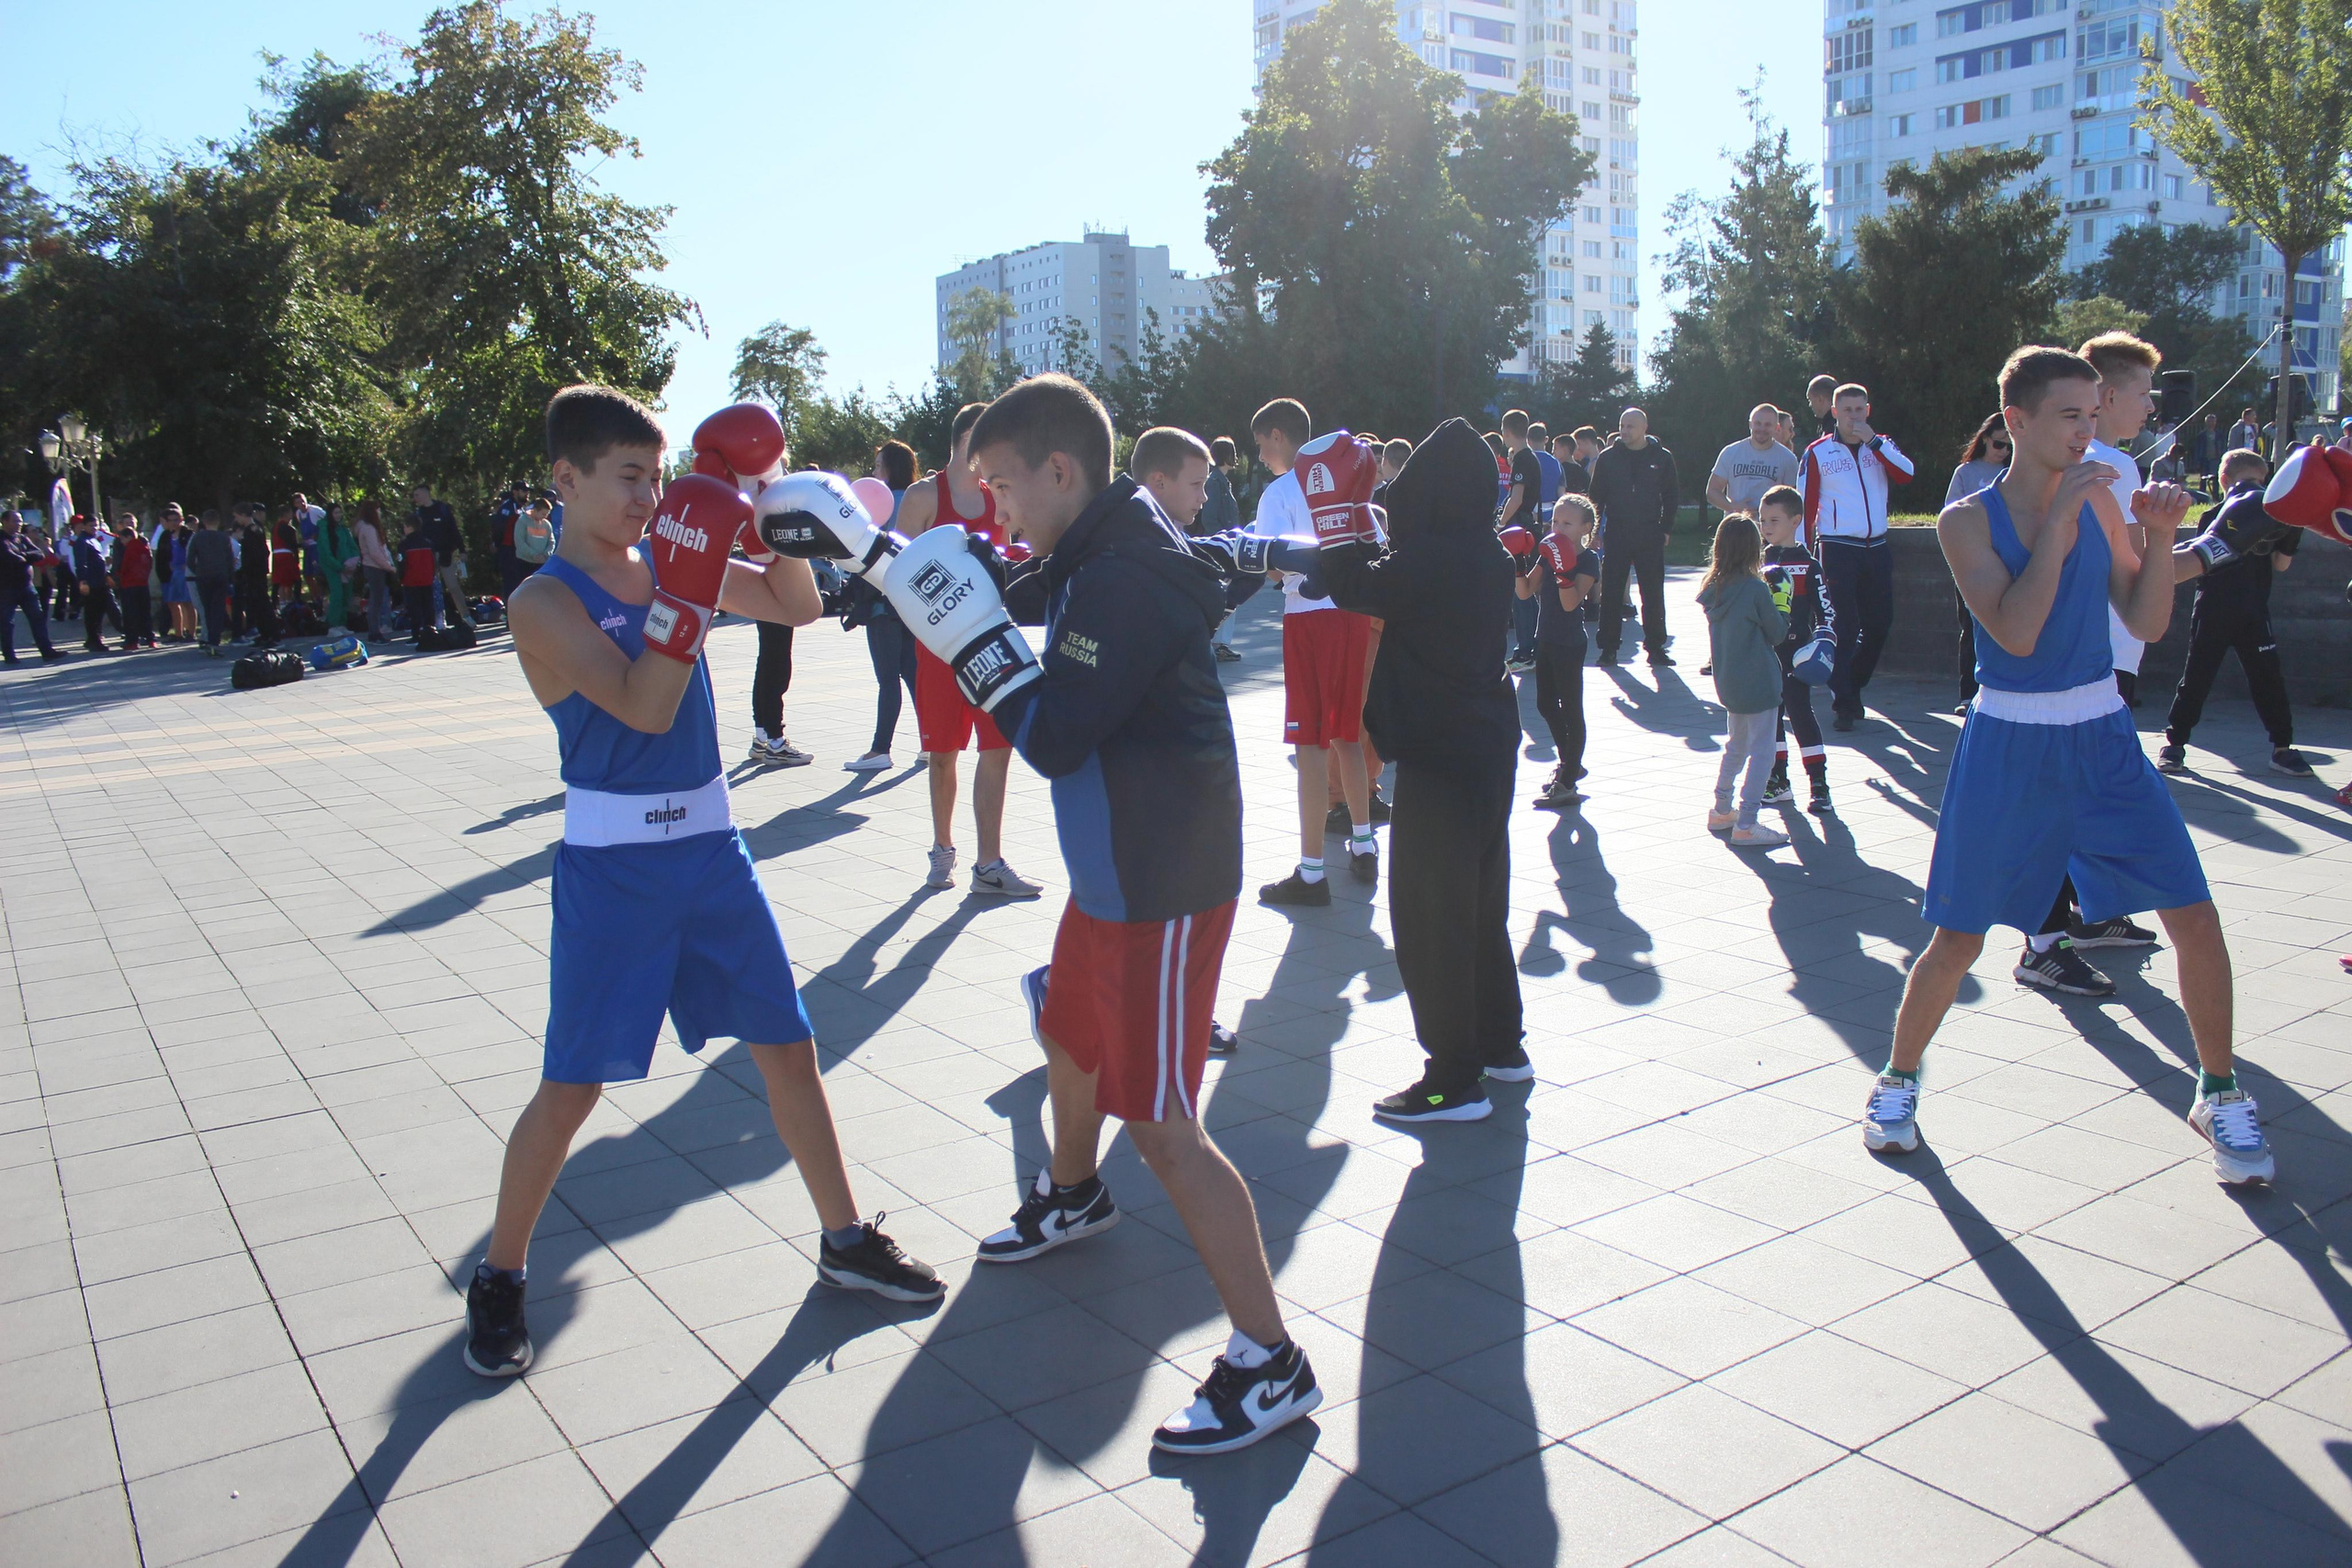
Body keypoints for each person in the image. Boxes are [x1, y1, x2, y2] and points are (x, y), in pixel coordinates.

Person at [845, 373, 1314, 1453]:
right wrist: (891, 562)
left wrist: (969, 639)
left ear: (1059, 471)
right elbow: (1026, 583)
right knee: (1065, 1030)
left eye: (1003, 487)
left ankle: (1270, 1360)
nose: (994, 508)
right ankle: (1072, 1193)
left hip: (1160, 880)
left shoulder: (1124, 575)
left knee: (1161, 1124)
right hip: (1114, 868)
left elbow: (1053, 737)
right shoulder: (1097, 544)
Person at [458, 387, 942, 1380]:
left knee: (789, 1047)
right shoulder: (542, 602)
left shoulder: (669, 555)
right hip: (614, 871)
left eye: (659, 474)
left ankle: (844, 1237)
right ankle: (500, 1274)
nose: (650, 496)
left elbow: (798, 606)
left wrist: (770, 505)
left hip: (714, 852)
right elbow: (641, 707)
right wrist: (686, 592)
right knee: (572, 1086)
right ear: (566, 479)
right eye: (629, 477)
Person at [1866, 344, 2274, 1188]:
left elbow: (2146, 620)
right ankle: (1897, 1081)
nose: (2088, 432)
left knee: (2195, 915)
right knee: (1958, 938)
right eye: (2069, 416)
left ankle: (2219, 1090)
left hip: (2103, 736)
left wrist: (2160, 537)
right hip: (2009, 744)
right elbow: (2016, 633)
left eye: (2094, 414)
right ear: (2016, 421)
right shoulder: (1965, 520)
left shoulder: (2102, 500)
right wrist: (2057, 523)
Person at [1308, 418, 1527, 1122]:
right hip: (1488, 746)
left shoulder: (1431, 559)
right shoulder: (1488, 554)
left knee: (1432, 914)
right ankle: (1500, 1045)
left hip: (1441, 754)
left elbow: (1353, 585)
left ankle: (1451, 1079)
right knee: (1480, 904)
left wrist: (1336, 516)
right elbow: (1389, 575)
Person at [891, 402, 1044, 897]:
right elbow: (896, 576)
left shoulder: (996, 495)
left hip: (990, 642)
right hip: (939, 649)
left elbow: (1012, 561)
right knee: (942, 755)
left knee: (997, 748)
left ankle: (989, 864)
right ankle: (942, 851)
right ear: (967, 441)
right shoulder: (923, 496)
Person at [1248, 398, 1377, 903]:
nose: (1261, 455)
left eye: (1262, 444)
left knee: (1310, 745)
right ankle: (1363, 843)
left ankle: (1311, 872)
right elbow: (1373, 542)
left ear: (1278, 436)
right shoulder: (1350, 481)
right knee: (1347, 734)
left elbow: (1271, 566)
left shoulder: (1280, 492)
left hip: (1308, 615)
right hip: (1353, 613)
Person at [2158, 449, 2312, 778]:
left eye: (2259, 482)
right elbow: (2194, 561)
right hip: (2213, 607)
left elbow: (2281, 565)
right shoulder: (2213, 515)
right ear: (2225, 482)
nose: (2253, 488)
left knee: (2268, 679)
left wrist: (2292, 531)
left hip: (2254, 609)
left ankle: (2283, 748)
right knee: (2197, 678)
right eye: (2248, 481)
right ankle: (2174, 744)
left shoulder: (2273, 515)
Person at [1799, 381, 1915, 729]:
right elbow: (1805, 507)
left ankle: (1851, 682)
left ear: (1868, 410)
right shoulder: (1818, 452)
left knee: (1880, 624)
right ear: (1835, 412)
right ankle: (1844, 703)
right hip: (1837, 547)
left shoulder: (1881, 445)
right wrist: (1802, 554)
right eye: (1847, 410)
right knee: (1845, 627)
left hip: (1876, 547)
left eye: (1859, 409)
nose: (1854, 417)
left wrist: (1875, 442)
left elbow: (1906, 474)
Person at [1699, 513, 1791, 849]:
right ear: (1754, 548)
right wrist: (1783, 604)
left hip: (1729, 682)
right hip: (1760, 681)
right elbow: (1777, 633)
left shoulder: (1713, 589)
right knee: (1763, 753)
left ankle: (1722, 808)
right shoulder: (1755, 589)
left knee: (1736, 746)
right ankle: (1748, 822)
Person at [842, 441, 922, 772]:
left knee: (888, 678)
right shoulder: (917, 500)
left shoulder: (879, 507)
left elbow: (861, 555)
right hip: (912, 604)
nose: (874, 472)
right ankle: (931, 742)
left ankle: (880, 750)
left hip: (881, 603)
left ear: (890, 468)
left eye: (878, 465)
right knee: (914, 675)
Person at [1517, 492, 1599, 808]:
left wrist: (1563, 571)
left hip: (1570, 643)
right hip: (1546, 638)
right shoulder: (1548, 553)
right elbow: (1525, 592)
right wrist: (1517, 562)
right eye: (1555, 521)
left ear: (1585, 528)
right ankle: (1571, 763)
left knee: (1571, 708)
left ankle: (1567, 781)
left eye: (1567, 523)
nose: (1558, 528)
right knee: (1545, 704)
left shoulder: (1589, 560)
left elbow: (1570, 603)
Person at [1757, 486, 1831, 817]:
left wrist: (1825, 642)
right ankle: (1778, 780)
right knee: (1771, 717)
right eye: (1762, 520)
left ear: (1796, 520)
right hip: (1765, 653)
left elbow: (1826, 611)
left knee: (1800, 714)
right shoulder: (1758, 562)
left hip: (1796, 653)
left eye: (1774, 520)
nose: (1766, 527)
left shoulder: (1809, 564)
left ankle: (1819, 784)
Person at [1589, 407, 1679, 667]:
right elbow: (1596, 497)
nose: (1624, 431)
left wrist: (1665, 528)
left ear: (1644, 429)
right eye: (1622, 425)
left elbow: (1671, 495)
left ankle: (1656, 647)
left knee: (1652, 592)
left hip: (1649, 533)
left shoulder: (1661, 457)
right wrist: (1593, 531)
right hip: (1617, 532)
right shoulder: (1608, 458)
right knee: (1611, 592)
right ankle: (1608, 648)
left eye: (1630, 426)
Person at [1945, 414, 2015, 708]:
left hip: (2006, 558)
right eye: (1999, 444)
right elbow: (1950, 513)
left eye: (2009, 446)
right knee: (1971, 626)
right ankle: (1967, 693)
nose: (2004, 451)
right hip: (1971, 559)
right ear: (1985, 439)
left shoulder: (2013, 473)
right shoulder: (1966, 472)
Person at [1499, 410, 1545, 672]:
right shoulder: (1530, 457)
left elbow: (1516, 499)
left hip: (1519, 529)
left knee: (1521, 591)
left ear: (1506, 432)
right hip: (1527, 527)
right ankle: (1531, 647)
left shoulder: (1522, 459)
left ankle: (1526, 651)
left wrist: (1500, 523)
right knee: (1525, 590)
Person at [1707, 403, 1801, 519]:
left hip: (1772, 527)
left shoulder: (1788, 458)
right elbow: (1712, 491)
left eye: (1767, 425)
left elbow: (1793, 501)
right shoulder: (1731, 452)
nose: (1762, 429)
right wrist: (1733, 506)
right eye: (1758, 423)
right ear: (1750, 424)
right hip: (1735, 524)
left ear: (1777, 428)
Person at [1, 512, 62, 664]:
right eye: (15, 521)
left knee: (37, 619)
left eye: (20, 521)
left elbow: (39, 554)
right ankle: (9, 655)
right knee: (7, 622)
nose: (19, 524)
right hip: (7, 589)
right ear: (4, 522)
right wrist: (26, 557)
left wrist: (23, 555)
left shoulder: (22, 538)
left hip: (27, 587)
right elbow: (11, 558)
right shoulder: (2, 539)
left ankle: (47, 651)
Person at [413, 483, 473, 631]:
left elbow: (453, 529)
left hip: (445, 553)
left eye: (417, 495)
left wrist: (462, 549)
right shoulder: (418, 514)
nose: (415, 498)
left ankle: (466, 616)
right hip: (428, 556)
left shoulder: (442, 509)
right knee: (432, 588)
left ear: (426, 493)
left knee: (453, 586)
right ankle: (437, 619)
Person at [68, 515, 120, 654]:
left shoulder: (93, 540)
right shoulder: (82, 541)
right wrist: (83, 581)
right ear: (84, 526)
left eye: (96, 525)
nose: (94, 528)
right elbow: (81, 563)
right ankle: (94, 640)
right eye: (91, 525)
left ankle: (93, 638)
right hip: (92, 583)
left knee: (99, 610)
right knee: (93, 612)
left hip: (100, 581)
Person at [188, 510, 236, 656]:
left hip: (203, 576)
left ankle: (209, 639)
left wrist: (197, 571)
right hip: (220, 576)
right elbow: (230, 560)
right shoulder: (224, 538)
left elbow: (190, 559)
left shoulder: (197, 537)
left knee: (207, 608)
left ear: (203, 522)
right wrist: (230, 577)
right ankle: (215, 641)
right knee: (218, 608)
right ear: (218, 522)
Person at [352, 502, 397, 643]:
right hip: (375, 567)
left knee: (376, 600)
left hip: (371, 566)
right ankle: (374, 633)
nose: (379, 513)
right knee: (376, 602)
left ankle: (374, 631)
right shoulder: (369, 528)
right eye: (377, 510)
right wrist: (388, 566)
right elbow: (374, 552)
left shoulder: (363, 527)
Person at [114, 512, 155, 649]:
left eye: (132, 522)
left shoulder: (137, 543)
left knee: (131, 612)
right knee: (144, 611)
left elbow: (123, 564)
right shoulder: (135, 543)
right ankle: (149, 638)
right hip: (141, 582)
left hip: (129, 582)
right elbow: (148, 560)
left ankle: (133, 640)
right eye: (127, 523)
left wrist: (118, 574)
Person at [398, 514, 440, 643]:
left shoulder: (404, 544)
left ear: (410, 527)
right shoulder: (428, 543)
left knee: (414, 608)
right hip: (427, 579)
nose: (404, 529)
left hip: (411, 580)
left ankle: (416, 634)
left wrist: (401, 578)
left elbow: (402, 563)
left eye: (405, 526)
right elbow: (434, 562)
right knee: (428, 606)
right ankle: (430, 630)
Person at [155, 504, 195, 642]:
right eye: (170, 520)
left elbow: (194, 553)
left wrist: (188, 565)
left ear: (181, 520)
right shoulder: (165, 536)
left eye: (176, 519)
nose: (173, 523)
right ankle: (178, 633)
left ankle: (191, 633)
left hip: (185, 573)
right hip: (170, 574)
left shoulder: (188, 534)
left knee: (188, 603)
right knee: (172, 603)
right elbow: (161, 556)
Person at [2192, 411, 2222, 491]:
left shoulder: (2219, 434)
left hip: (2215, 459)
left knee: (2216, 479)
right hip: (2204, 459)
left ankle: (2215, 495)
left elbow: (2222, 446)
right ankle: (2202, 494)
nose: (2211, 423)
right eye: (2209, 421)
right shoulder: (2201, 435)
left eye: (2213, 421)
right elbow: (2198, 449)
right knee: (2203, 479)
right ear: (2206, 422)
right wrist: (2197, 461)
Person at [1805, 374, 1839, 442]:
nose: (1810, 405)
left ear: (1820, 399)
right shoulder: (1843, 423)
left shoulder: (1833, 430)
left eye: (1810, 400)